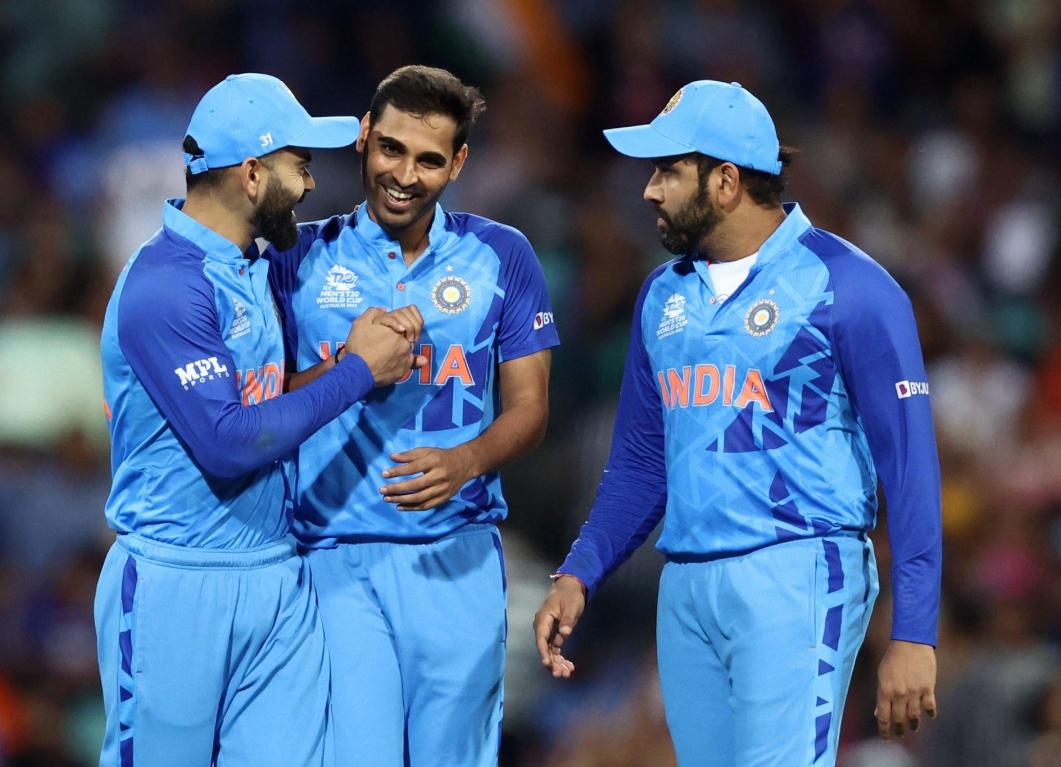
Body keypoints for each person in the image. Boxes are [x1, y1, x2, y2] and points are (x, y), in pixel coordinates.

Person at [533, 80, 942, 766]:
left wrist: (914, 631)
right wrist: (578, 573)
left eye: (667, 171)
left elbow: (908, 466)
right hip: (686, 583)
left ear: (725, 181)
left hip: (798, 568)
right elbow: (639, 460)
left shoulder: (851, 287)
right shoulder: (661, 294)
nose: (649, 190)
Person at [96, 73, 424, 767]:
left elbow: (258, 400)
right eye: (298, 165)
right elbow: (226, 442)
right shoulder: (164, 286)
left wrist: (354, 362)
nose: (308, 185)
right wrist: (356, 372)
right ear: (251, 174)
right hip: (175, 583)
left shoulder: (250, 266)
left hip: (274, 573)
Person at [266, 65, 560, 766]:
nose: (405, 174)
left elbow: (529, 407)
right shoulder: (297, 256)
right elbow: (261, 400)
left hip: (458, 559)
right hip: (334, 556)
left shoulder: (503, 255)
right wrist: (353, 367)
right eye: (391, 149)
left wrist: (468, 460)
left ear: (458, 163)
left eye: (429, 159)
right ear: (364, 139)